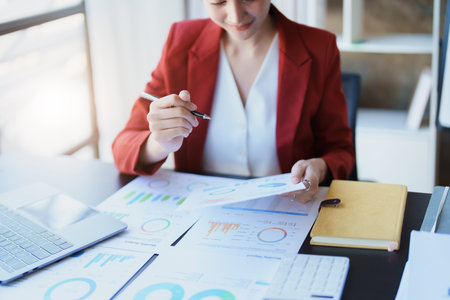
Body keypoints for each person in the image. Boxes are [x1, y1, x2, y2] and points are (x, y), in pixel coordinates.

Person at [112, 0, 355, 203]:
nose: (236, 16)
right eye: (219, 1)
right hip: (201, 217)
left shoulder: (318, 47)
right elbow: (122, 148)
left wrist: (320, 167)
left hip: (288, 211)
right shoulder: (181, 42)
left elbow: (340, 150)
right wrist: (159, 143)